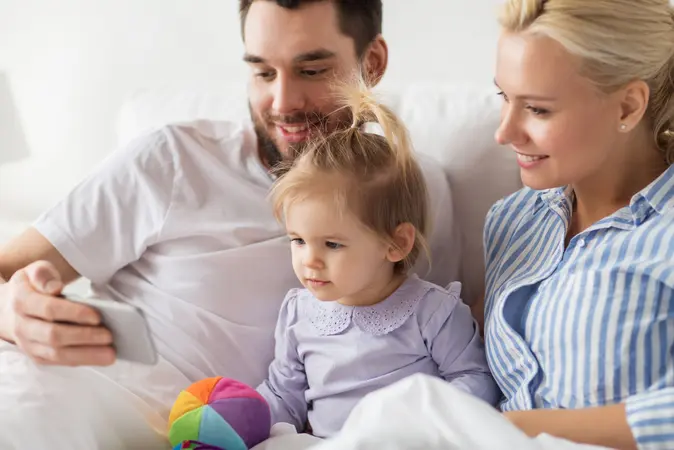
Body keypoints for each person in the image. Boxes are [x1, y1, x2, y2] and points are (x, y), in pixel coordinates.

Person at [0, 1, 458, 448]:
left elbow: (435, 334)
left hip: (225, 434)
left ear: (371, 63)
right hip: (76, 392)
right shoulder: (173, 159)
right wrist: (13, 312)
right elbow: (7, 271)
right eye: (262, 71)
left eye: (312, 70)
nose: (282, 103)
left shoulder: (414, 192)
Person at [308, 1, 674, 450]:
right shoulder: (516, 222)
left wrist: (510, 429)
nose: (504, 132)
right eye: (504, 97)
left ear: (628, 106)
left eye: (538, 109)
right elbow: (456, 348)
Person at [255, 82, 498, 438]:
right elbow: (283, 394)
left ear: (396, 244)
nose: (310, 261)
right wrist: (242, 421)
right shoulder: (298, 314)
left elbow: (476, 380)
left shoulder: (433, 313)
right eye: (298, 241)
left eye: (332, 245)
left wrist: (421, 426)